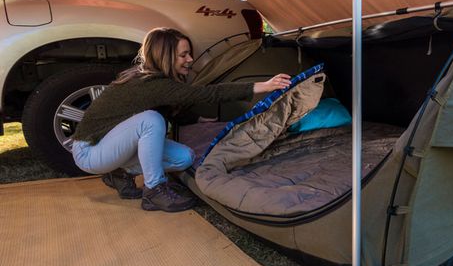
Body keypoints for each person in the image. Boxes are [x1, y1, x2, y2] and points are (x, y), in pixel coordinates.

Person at [71, 27, 291, 212]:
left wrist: (197, 118)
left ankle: (120, 173)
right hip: (90, 151)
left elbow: (167, 104)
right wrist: (263, 86)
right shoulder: (149, 83)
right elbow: (207, 93)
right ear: (165, 56)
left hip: (110, 147)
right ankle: (154, 190)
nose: (190, 60)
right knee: (151, 120)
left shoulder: (155, 81)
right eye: (183, 55)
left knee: (184, 158)